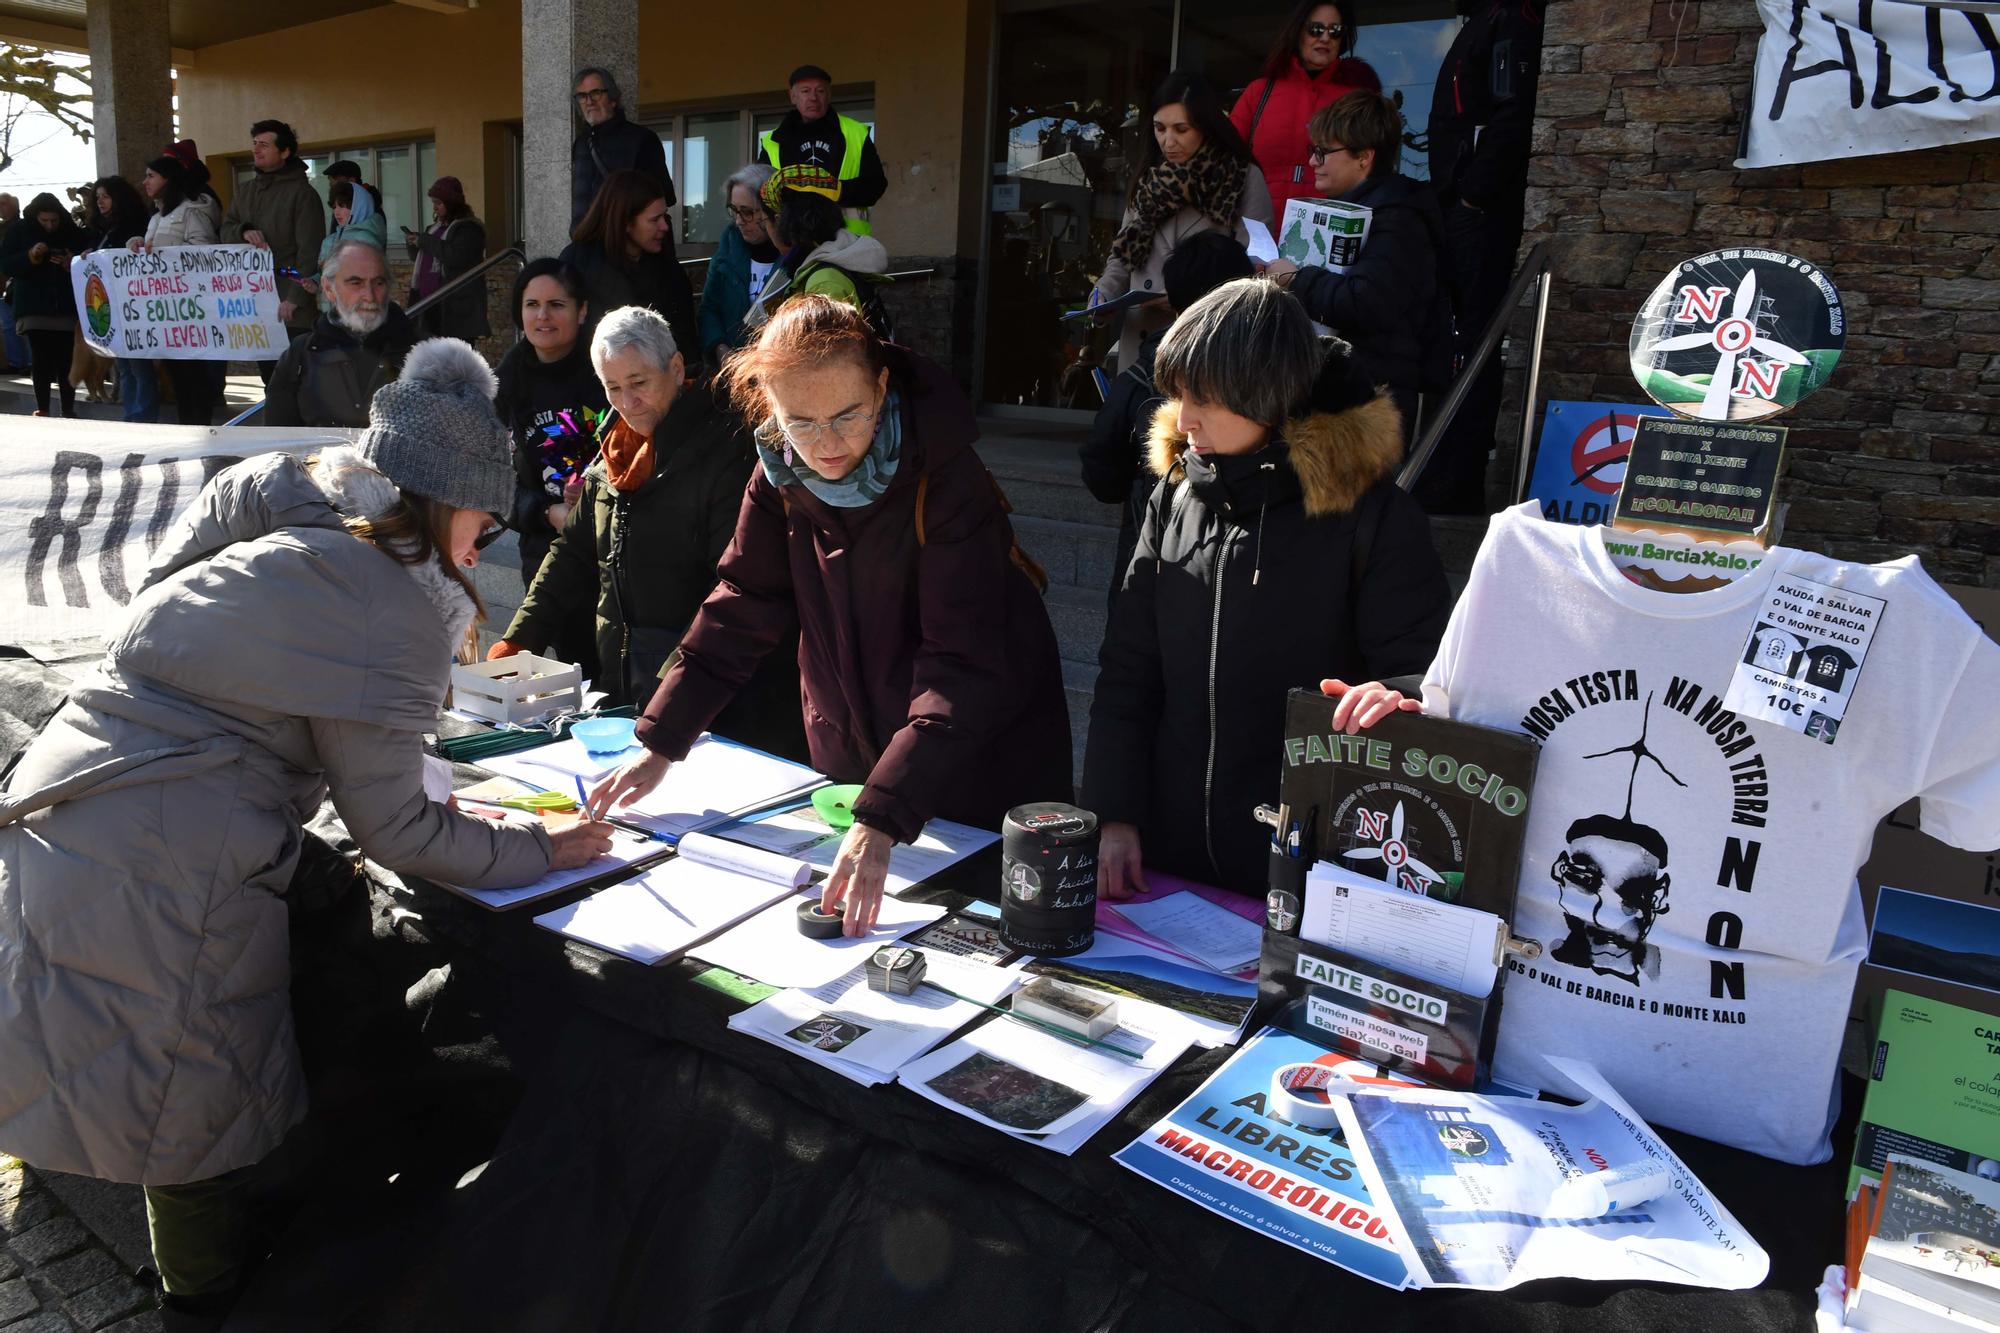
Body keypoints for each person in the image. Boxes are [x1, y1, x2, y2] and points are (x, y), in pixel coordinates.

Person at [0, 337, 614, 1330]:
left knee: (74, 1040)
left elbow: (193, 633)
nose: (481, 546)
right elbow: (399, 830)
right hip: (169, 862)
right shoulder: (391, 606)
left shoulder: (280, 501)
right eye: (480, 522)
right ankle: (201, 1308)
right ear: (442, 500)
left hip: (71, 793)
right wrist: (546, 850)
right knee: (181, 1114)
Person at [589, 296, 1072, 936]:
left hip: (975, 754)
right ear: (771, 408)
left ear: (880, 386)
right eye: (800, 421)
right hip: (854, 744)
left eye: (847, 415)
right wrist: (660, 740)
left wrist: (884, 814)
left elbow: (961, 665)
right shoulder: (777, 473)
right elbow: (740, 603)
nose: (826, 445)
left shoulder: (947, 479)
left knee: (970, 932)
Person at [1082, 278, 1450, 900]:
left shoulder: (1372, 518)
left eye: (1204, 397)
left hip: (1316, 872)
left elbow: (1428, 677)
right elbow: (1128, 671)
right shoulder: (1173, 497)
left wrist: (1394, 695)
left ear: (1267, 395)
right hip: (1167, 861)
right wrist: (1114, 810)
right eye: (1177, 394)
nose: (1182, 416)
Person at [490, 306, 806, 759]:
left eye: (639, 384)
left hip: (713, 695)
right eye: (613, 388)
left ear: (676, 369)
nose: (627, 402)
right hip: (628, 682)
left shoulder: (727, 451)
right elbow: (571, 554)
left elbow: (731, 591)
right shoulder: (614, 447)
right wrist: (518, 641)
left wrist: (674, 694)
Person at [1264, 91, 1450, 443]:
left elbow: (1366, 301)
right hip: (1345, 384)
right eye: (1312, 150)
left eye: (1323, 152)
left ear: (1364, 158)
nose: (1314, 161)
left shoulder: (1399, 219)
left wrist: (1296, 278)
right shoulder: (1370, 209)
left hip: (1368, 398)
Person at [1080, 230, 1254, 604]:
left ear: (1173, 301)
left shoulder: (1142, 376)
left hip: (1154, 564)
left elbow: (1102, 472)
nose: (1188, 422)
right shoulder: (1274, 374)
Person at [1424, 0, 1544, 514]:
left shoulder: (1510, 18)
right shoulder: (1486, 18)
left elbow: (1512, 111)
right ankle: (1447, 470)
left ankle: (1461, 479)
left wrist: (1473, 194)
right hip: (1462, 205)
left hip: (1480, 212)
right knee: (1458, 339)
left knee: (1473, 341)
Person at [1091, 72, 1273, 370]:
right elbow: (1121, 257)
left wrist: (1185, 296)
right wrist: (1102, 296)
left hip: (1206, 340)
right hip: (1143, 340)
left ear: (1205, 128)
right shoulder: (1147, 179)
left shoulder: (1242, 177)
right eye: (1159, 129)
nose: (1168, 141)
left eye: (1181, 129)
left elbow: (1257, 265)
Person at [491, 257, 605, 675]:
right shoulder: (505, 382)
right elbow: (495, 482)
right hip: (546, 552)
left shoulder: (606, 367)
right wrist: (544, 511)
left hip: (614, 546)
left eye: (557, 304)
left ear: (582, 310)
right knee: (569, 665)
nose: (543, 316)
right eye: (532, 304)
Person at [1229, 1, 1382, 218]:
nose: (1325, 38)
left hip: (1329, 229)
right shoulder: (1259, 92)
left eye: (1335, 31)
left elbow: (1373, 169)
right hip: (1258, 231)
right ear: (1298, 31)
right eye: (1316, 29)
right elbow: (1224, 160)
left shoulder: (1356, 96)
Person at [265, 238, 419, 428]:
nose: (369, 296)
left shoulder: (424, 353)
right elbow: (279, 440)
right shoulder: (300, 355)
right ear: (329, 288)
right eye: (356, 283)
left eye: (378, 283)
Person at [560, 168, 698, 364]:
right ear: (625, 221)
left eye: (664, 217)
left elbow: (685, 336)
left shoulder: (666, 266)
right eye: (654, 220)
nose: (665, 227)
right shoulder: (575, 263)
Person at [129, 156, 225, 425]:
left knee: (194, 374)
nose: (145, 182)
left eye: (151, 175)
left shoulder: (191, 212)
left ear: (167, 179)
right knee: (177, 376)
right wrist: (136, 242)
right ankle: (188, 430)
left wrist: (165, 254)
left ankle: (202, 429)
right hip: (165, 311)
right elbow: (153, 248)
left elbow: (204, 253)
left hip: (191, 309)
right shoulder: (157, 216)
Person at [220, 119, 325, 354]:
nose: (256, 149)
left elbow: (309, 252)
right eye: (255, 143)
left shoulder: (303, 194)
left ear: (285, 151)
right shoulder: (245, 191)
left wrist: (295, 297)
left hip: (289, 306)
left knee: (293, 379)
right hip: (251, 302)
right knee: (269, 377)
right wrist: (243, 231)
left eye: (264, 144)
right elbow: (225, 230)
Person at [747, 165, 890, 334]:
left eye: (764, 221)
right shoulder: (842, 260)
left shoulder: (823, 284)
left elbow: (827, 356)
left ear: (779, 221)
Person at [757, 64, 887, 235]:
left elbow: (876, 186)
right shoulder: (773, 141)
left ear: (829, 95)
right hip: (792, 241)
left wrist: (836, 189)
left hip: (847, 241)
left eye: (820, 91)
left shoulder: (855, 133)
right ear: (792, 96)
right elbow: (760, 192)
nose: (813, 98)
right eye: (805, 91)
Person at [0, 193, 86, 417]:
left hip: (65, 306)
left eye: (54, 221)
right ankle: (43, 408)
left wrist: (71, 262)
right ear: (35, 217)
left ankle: (68, 409)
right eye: (44, 221)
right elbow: (7, 263)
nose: (49, 225)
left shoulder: (71, 232)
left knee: (66, 358)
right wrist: (30, 256)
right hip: (33, 307)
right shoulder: (19, 231)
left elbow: (87, 257)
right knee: (40, 358)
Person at [90, 175, 161, 422]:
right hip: (112, 306)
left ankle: (143, 416)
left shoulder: (133, 224)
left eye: (106, 196)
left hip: (133, 304)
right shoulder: (100, 228)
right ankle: (131, 415)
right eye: (97, 197)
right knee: (124, 367)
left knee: (139, 367)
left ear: (119, 198)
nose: (100, 202)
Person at [570, 65, 674, 232]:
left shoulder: (642, 139)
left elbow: (662, 196)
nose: (589, 101)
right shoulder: (581, 144)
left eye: (596, 93)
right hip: (588, 244)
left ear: (613, 99)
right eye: (582, 96)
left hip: (628, 245)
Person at [698, 163, 780, 362]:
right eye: (734, 210)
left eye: (747, 212)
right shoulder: (729, 244)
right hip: (732, 368)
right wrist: (720, 348)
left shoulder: (793, 254)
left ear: (771, 210)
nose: (739, 221)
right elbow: (709, 308)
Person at [405, 176, 489, 343]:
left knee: (457, 356)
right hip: (429, 300)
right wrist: (414, 244)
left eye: (438, 203)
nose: (435, 208)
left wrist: (425, 241)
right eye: (433, 203)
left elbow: (455, 257)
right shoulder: (434, 228)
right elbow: (421, 259)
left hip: (455, 304)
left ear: (451, 203)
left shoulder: (469, 228)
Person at [314, 180, 386, 278]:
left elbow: (366, 277)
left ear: (359, 207)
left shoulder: (366, 240)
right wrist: (315, 281)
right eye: (334, 207)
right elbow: (325, 277)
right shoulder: (330, 240)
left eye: (342, 206)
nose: (336, 212)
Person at [0, 193, 29, 372]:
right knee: (8, 325)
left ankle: (33, 364)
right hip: (2, 284)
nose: (1, 208)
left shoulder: (22, 227)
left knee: (25, 324)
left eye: (3, 204)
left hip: (18, 282)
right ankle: (15, 362)